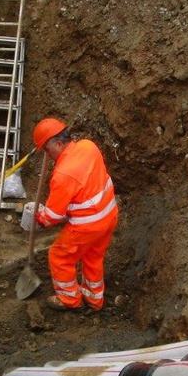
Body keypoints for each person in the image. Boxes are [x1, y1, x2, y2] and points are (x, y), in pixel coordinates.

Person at [24, 117, 118, 311]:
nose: (48, 156)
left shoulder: (63, 174)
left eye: (48, 150)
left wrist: (38, 215)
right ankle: (94, 300)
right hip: (108, 215)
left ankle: (70, 300)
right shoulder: (88, 146)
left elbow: (52, 217)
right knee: (93, 257)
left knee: (59, 256)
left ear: (59, 143)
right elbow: (85, 186)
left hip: (87, 225)